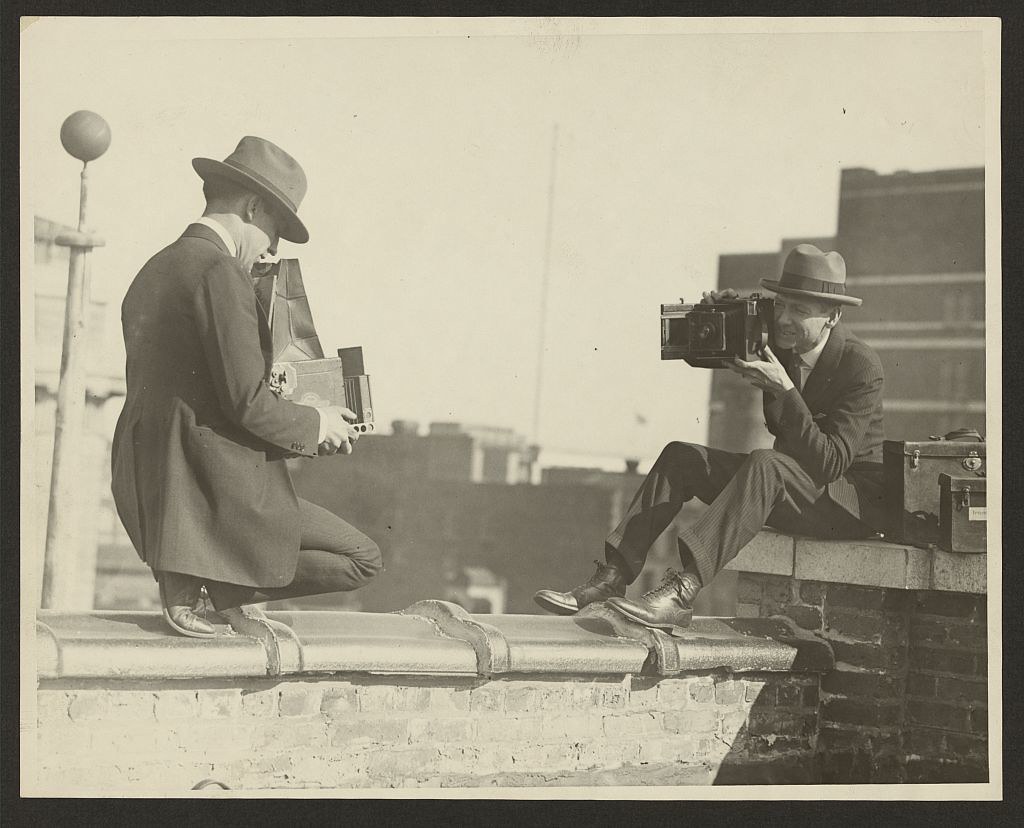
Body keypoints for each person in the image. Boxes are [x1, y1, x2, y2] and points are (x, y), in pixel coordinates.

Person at [534, 244, 885, 634]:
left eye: (799, 311)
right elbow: (695, 351)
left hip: (842, 503)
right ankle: (611, 577)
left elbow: (830, 464)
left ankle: (682, 592)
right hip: (780, 485)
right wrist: (713, 317)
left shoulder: (861, 366)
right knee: (680, 457)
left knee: (764, 462)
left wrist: (786, 391)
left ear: (832, 316)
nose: (784, 318)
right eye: (782, 304)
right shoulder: (779, 333)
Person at [111, 136, 382, 638]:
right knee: (362, 557)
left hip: (163, 486)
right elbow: (247, 404)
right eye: (274, 231)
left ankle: (211, 585)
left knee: (351, 552)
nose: (273, 249)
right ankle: (214, 585)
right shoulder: (218, 271)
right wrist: (317, 421)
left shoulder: (158, 266)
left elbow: (204, 392)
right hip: (213, 491)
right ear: (253, 206)